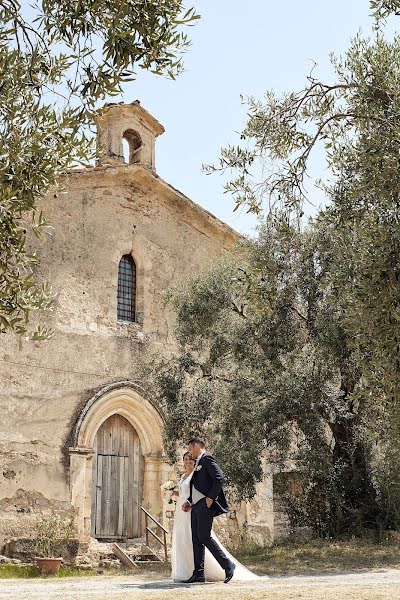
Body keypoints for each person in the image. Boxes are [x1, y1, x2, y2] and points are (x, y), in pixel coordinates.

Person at [171, 438, 258, 583]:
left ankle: (228, 565)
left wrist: (211, 498)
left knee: (204, 537)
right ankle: (198, 573)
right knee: (196, 539)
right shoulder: (199, 461)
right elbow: (199, 486)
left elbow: (219, 478)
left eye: (191, 449)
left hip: (205, 505)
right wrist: (189, 501)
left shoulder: (207, 459)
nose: (190, 453)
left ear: (197, 446)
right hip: (195, 506)